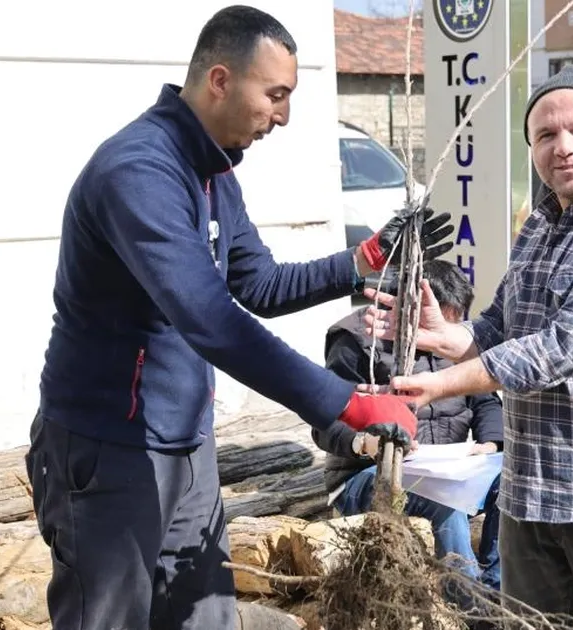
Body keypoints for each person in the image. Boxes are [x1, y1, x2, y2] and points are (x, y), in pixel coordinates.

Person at [24, 6, 453, 630]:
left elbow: (259, 283)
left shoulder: (214, 170)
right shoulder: (138, 172)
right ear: (220, 80)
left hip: (187, 444)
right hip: (109, 445)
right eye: (275, 95)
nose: (284, 115)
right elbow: (211, 321)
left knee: (206, 619)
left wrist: (364, 259)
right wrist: (346, 402)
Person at [364, 64, 573, 630]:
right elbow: (500, 327)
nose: (563, 147)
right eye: (545, 135)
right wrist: (446, 337)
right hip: (529, 490)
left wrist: (439, 384)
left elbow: (557, 349)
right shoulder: (539, 226)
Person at [314, 259, 504, 595]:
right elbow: (325, 423)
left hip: (448, 469)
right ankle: (472, 606)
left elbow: (485, 402)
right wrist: (367, 443)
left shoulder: (456, 340)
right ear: (413, 309)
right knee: (446, 505)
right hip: (366, 474)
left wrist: (490, 444)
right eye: (437, 326)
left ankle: (499, 589)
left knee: (512, 482)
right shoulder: (356, 341)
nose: (443, 337)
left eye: (452, 326)